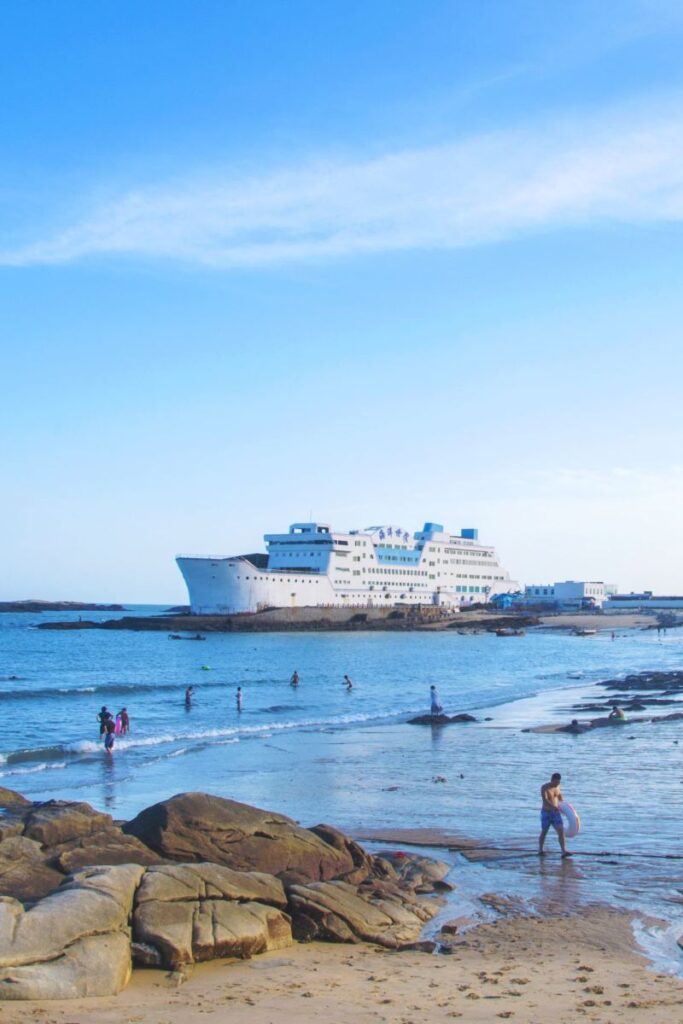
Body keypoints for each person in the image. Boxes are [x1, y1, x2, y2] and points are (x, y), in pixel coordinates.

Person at [539, 772, 570, 857]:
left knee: (561, 831)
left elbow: (560, 797)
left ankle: (563, 851)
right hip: (546, 813)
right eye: (556, 782)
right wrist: (553, 807)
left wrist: (565, 808)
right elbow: (545, 800)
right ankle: (540, 850)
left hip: (556, 813)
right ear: (551, 780)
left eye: (558, 782)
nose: (557, 784)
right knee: (544, 832)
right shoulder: (544, 787)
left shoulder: (558, 787)